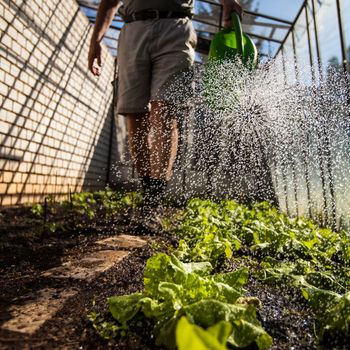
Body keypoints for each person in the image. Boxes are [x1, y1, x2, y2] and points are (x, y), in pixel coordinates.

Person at [88, 0, 243, 224]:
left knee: (164, 112)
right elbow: (110, 2)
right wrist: (96, 41)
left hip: (176, 27)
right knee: (135, 115)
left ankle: (154, 201)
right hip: (133, 28)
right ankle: (147, 190)